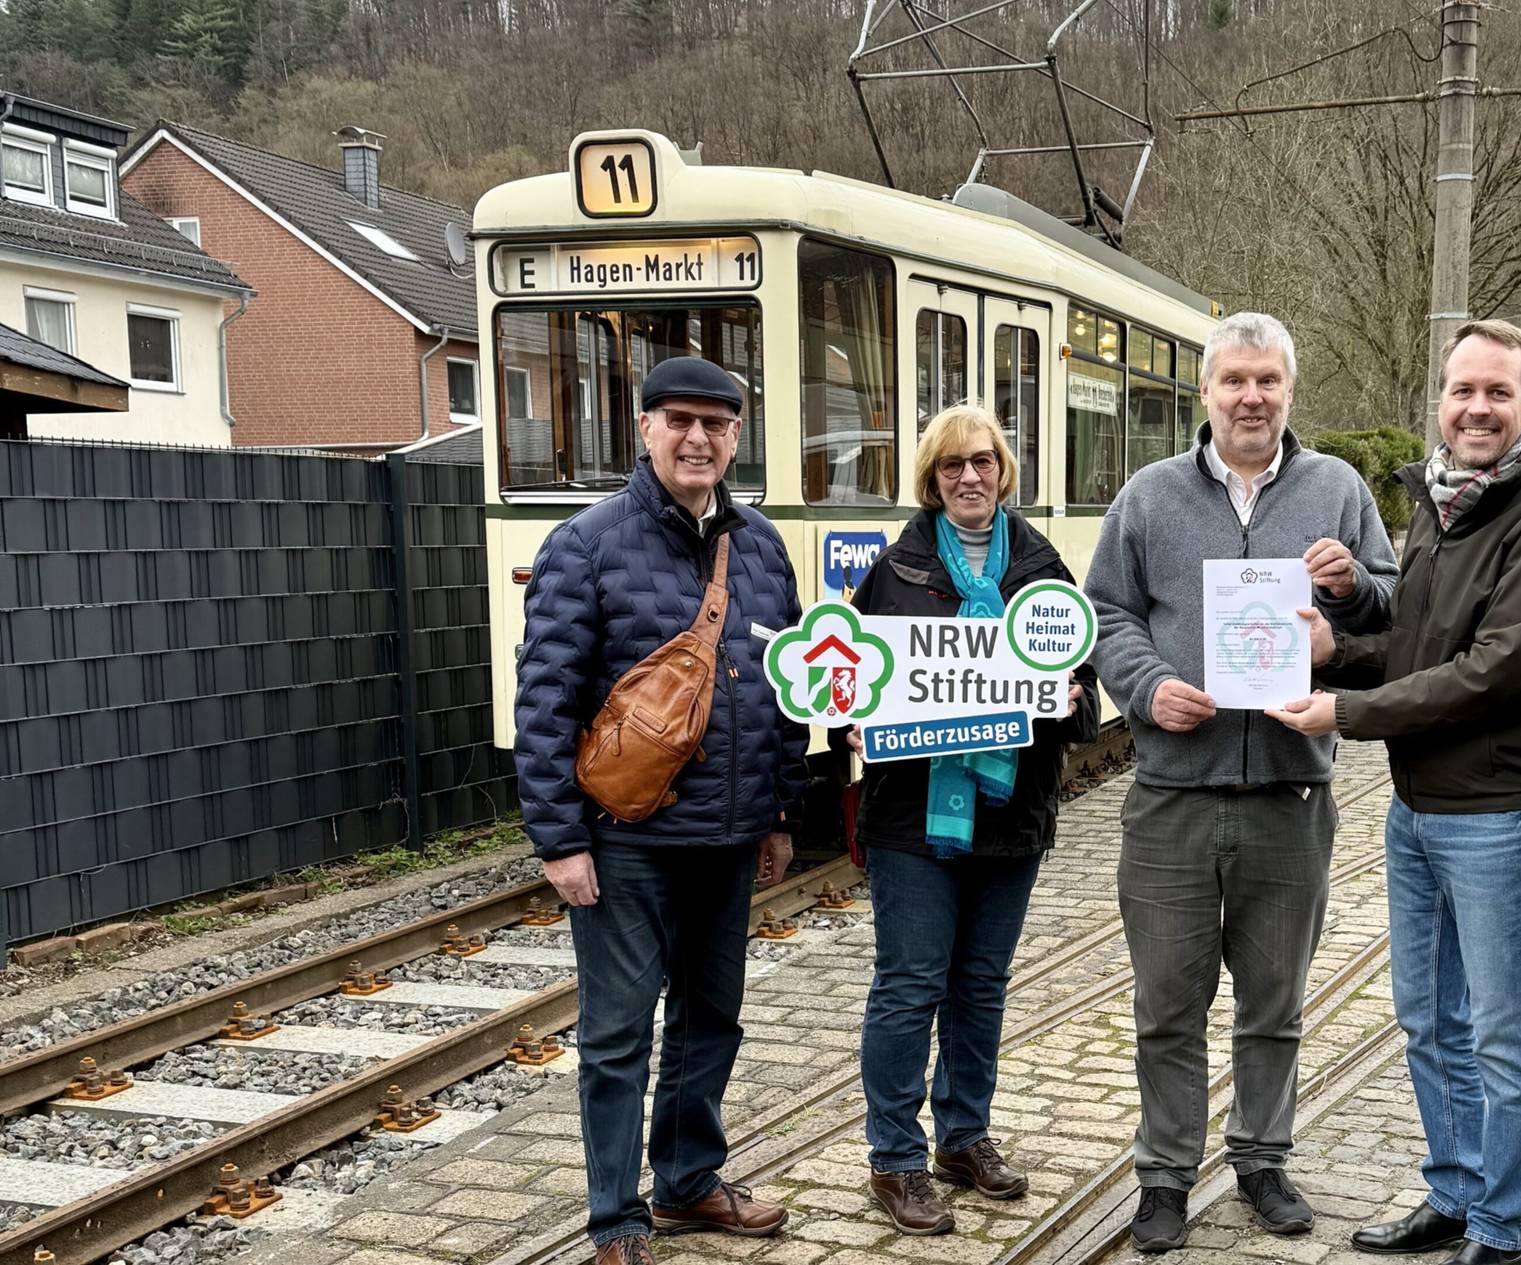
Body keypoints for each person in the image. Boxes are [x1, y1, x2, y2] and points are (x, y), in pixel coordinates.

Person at [1269, 319, 1521, 1265]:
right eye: (1464, 391)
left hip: (1503, 812)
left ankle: (1503, 1228)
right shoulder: (1438, 503)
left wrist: (1345, 705)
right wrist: (1344, 648)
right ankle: (1454, 1192)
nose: (1478, 408)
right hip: (1419, 809)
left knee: (1504, 1030)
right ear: (1442, 402)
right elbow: (1426, 647)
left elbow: (1491, 673)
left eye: (1498, 393)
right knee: (1427, 1017)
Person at [1085, 311, 1399, 1254]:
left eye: (1267, 380)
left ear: (1289, 392)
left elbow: (1393, 608)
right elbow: (1106, 612)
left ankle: (1262, 1157)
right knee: (1166, 1003)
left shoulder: (1338, 489)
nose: (1251, 396)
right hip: (1173, 794)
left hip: (1291, 798)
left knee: (1275, 1001)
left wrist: (1346, 595)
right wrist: (1146, 686)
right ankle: (1165, 1175)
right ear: (1207, 392)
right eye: (1234, 381)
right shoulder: (1149, 496)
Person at [514, 356, 808, 1265]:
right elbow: (546, 699)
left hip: (725, 837)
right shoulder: (587, 543)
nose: (699, 438)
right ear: (644, 428)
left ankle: (686, 1183)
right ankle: (614, 1218)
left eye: (717, 424)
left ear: (735, 436)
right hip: (626, 838)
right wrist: (559, 840)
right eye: (679, 420)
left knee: (710, 1017)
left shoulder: (759, 546)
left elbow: (781, 691)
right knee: (616, 1032)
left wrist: (778, 811)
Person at [841, 406, 1101, 1235]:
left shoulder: (1040, 565)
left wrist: (1067, 700)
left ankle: (962, 1134)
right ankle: (895, 1158)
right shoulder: (899, 568)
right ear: (932, 477)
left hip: (1011, 814)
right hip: (913, 818)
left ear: (1003, 469)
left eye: (982, 461)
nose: (969, 477)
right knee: (911, 983)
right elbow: (855, 678)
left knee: (980, 983)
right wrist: (855, 717)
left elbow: (1085, 692)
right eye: (952, 465)